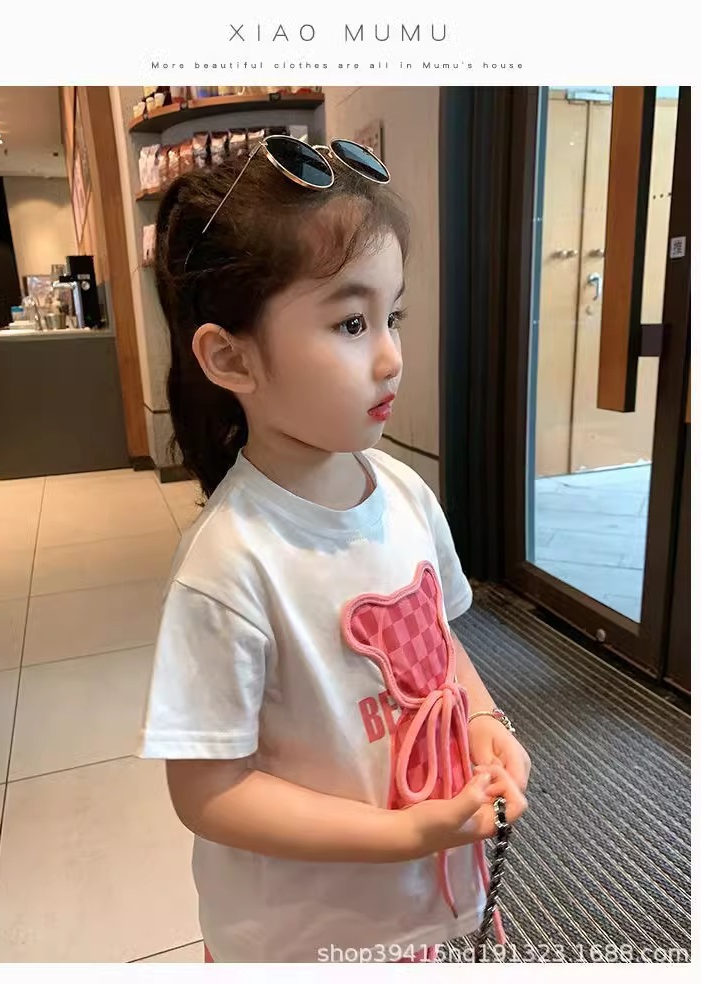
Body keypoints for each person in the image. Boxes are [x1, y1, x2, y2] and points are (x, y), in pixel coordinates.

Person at [138, 137, 531, 964]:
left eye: (393, 317)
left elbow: (439, 644)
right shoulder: (230, 566)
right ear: (231, 357)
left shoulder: (404, 494)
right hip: (300, 936)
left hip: (415, 909)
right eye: (352, 323)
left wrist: (484, 719)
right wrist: (402, 835)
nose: (390, 356)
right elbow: (210, 792)